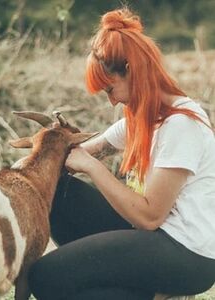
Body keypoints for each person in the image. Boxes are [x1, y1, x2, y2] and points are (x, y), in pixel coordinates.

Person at [28, 7, 215, 300]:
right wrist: (54, 146)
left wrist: (92, 167)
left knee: (45, 278)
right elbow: (83, 152)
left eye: (110, 89)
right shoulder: (142, 118)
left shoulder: (181, 124)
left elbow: (150, 216)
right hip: (153, 238)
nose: (111, 100)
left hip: (188, 253)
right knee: (58, 191)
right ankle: (140, 291)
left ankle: (149, 290)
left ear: (132, 71)